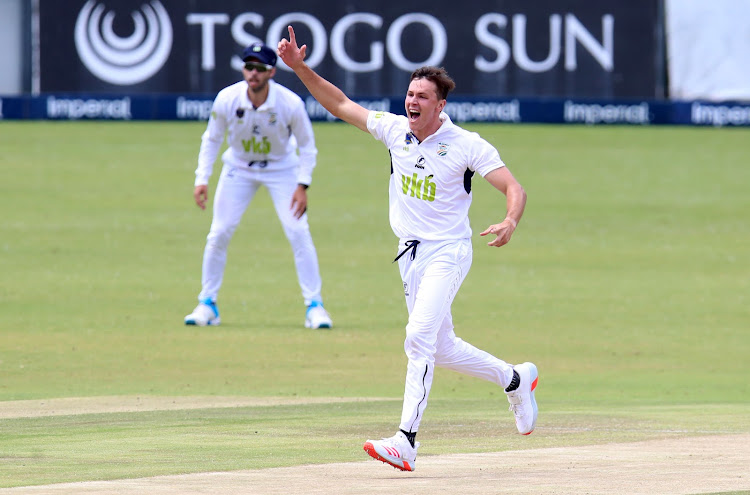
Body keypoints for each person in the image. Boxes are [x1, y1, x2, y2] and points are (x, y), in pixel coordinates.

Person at [278, 26, 538, 471]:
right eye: (410, 93)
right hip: (409, 255)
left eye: (422, 96)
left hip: (449, 252)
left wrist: (511, 219)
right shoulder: (396, 131)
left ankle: (407, 441)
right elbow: (340, 105)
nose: (412, 101)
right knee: (441, 347)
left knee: (417, 338)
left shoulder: (465, 145)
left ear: (441, 105)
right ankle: (515, 379)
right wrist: (300, 69)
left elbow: (514, 187)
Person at [184, 41, 332, 330]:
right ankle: (207, 304)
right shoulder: (227, 99)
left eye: (259, 68)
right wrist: (202, 179)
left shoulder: (290, 104)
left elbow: (307, 147)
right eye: (248, 67)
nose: (252, 73)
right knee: (219, 232)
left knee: (297, 232)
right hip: (238, 167)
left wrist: (303, 185)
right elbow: (212, 138)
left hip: (282, 169)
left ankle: (315, 306)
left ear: (271, 72)